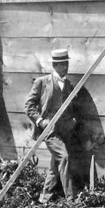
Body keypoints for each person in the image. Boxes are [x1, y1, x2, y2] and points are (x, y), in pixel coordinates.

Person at [25, 48, 76, 199]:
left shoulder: (68, 85)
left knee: (55, 165)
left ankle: (45, 197)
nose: (66, 67)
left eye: (67, 63)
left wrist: (73, 121)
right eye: (62, 64)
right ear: (55, 66)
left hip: (65, 129)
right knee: (64, 158)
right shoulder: (42, 82)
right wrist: (40, 121)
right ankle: (71, 198)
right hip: (49, 130)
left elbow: (71, 107)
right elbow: (29, 106)